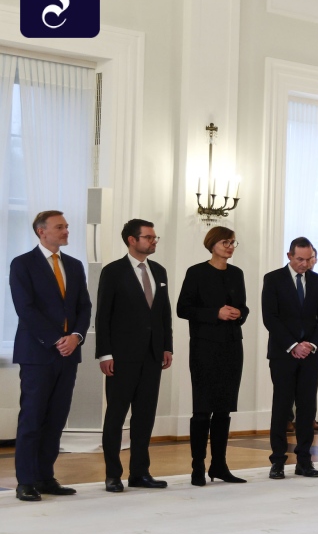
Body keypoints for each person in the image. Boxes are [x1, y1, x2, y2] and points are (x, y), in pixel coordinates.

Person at [8, 211, 93, 502]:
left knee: (56, 419)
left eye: (67, 226)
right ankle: (26, 481)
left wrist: (76, 337)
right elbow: (26, 309)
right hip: (38, 354)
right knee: (32, 418)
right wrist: (58, 339)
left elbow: (84, 307)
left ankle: (45, 477)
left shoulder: (74, 265)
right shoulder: (22, 264)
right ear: (41, 232)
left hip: (68, 355)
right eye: (60, 227)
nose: (67, 230)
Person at [95, 219, 173, 493]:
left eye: (154, 237)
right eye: (148, 237)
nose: (153, 241)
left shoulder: (159, 271)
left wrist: (167, 346)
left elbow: (164, 314)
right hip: (122, 357)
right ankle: (112, 475)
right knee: (115, 417)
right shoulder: (113, 272)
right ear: (132, 240)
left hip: (152, 356)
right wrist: (104, 353)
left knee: (144, 417)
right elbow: (102, 316)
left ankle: (140, 472)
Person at [176, 226, 250, 486]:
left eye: (232, 242)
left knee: (223, 410)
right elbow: (183, 308)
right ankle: (198, 467)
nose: (230, 246)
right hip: (204, 348)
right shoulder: (196, 272)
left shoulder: (237, 273)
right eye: (225, 242)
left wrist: (239, 313)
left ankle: (219, 465)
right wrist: (215, 313)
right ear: (212, 244)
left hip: (232, 346)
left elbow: (244, 307)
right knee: (202, 410)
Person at [262, 237, 318, 479]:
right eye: (300, 259)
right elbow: (270, 317)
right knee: (282, 407)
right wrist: (293, 345)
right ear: (289, 256)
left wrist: (310, 344)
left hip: (310, 355)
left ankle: (304, 460)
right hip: (283, 354)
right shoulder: (273, 279)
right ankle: (278, 461)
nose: (304, 264)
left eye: (309, 259)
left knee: (307, 407)